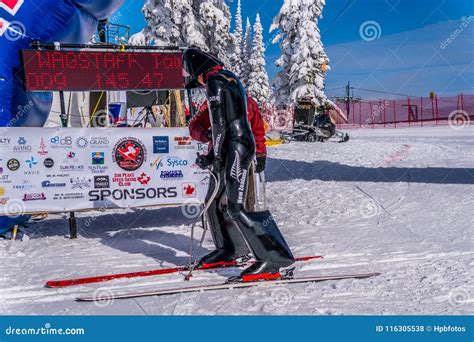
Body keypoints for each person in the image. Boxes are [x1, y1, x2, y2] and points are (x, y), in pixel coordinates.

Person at [183, 48, 294, 282]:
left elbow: (221, 126)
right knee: (213, 202)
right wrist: (213, 152)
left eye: (197, 80)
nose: (200, 85)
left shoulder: (214, 81)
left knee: (236, 206)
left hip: (237, 147)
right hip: (232, 146)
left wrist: (213, 155)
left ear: (200, 72)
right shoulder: (228, 78)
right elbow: (220, 127)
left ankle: (275, 258)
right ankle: (229, 249)